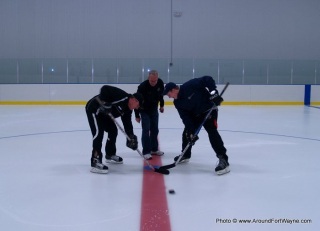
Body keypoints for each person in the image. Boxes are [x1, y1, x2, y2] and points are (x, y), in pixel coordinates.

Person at [162, 76, 230, 175]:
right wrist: (191, 131)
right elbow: (185, 117)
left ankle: (223, 159)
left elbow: (208, 79)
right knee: (186, 133)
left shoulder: (190, 85)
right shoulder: (177, 102)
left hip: (209, 110)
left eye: (169, 94)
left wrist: (213, 93)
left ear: (174, 90)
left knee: (212, 132)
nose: (169, 96)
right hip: (196, 115)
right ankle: (186, 154)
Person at [85, 85, 144, 174]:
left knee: (113, 131)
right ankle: (95, 161)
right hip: (94, 110)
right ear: (134, 99)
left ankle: (110, 154)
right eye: (138, 105)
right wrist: (106, 103)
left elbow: (127, 124)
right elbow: (105, 88)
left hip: (105, 114)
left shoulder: (128, 109)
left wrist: (130, 137)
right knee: (98, 133)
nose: (137, 108)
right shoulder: (122, 96)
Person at [134, 70, 165, 160]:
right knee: (146, 130)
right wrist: (137, 115)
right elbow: (136, 101)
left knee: (155, 129)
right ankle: (146, 151)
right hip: (144, 111)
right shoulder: (142, 87)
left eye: (155, 80)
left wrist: (162, 106)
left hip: (154, 110)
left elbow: (161, 96)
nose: (154, 83)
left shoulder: (160, 83)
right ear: (148, 78)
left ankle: (154, 149)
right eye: (152, 81)